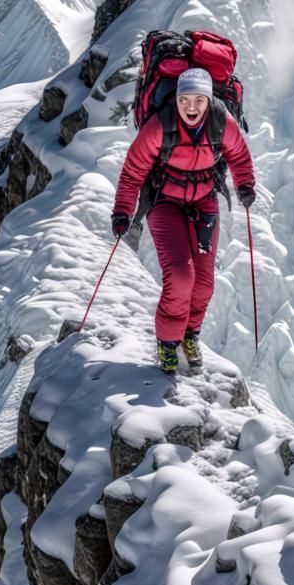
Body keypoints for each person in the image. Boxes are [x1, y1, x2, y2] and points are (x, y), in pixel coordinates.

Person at [112, 67, 256, 373]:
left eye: (199, 100)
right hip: (164, 203)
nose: (191, 107)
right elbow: (133, 172)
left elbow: (239, 155)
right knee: (180, 277)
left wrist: (245, 184)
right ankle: (168, 342)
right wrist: (123, 210)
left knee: (203, 284)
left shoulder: (220, 122)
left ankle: (190, 335)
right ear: (176, 100)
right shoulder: (160, 126)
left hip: (204, 202)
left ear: (209, 101)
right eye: (184, 100)